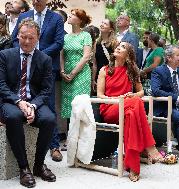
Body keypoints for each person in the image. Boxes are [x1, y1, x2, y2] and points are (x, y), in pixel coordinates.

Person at [97, 42, 173, 182]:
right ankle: (151, 148)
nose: (119, 47)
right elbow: (100, 95)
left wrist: (132, 96)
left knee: (132, 115)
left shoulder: (132, 70)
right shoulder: (104, 70)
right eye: (119, 45)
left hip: (128, 108)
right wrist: (117, 99)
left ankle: (133, 168)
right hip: (110, 108)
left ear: (128, 55)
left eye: (123, 47)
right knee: (136, 103)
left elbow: (141, 92)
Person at [0, 18, 56, 188]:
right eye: (23, 37)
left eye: (31, 38)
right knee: (14, 116)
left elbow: (47, 90)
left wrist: (32, 105)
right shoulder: (4, 55)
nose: (26, 41)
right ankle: (24, 167)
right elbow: (1, 84)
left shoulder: (45, 59)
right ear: (17, 36)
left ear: (38, 38)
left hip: (34, 102)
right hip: (11, 99)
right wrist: (18, 102)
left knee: (49, 119)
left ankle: (38, 165)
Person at [12, 0, 65, 162]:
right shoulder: (24, 16)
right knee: (20, 102)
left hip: (45, 67)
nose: (36, 1)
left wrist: (37, 55)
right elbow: (15, 39)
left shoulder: (55, 18)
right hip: (23, 67)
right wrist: (25, 52)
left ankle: (54, 146)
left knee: (48, 105)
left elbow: (58, 43)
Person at [60, 9, 92, 124]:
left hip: (81, 74)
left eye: (73, 15)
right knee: (69, 106)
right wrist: (62, 71)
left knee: (79, 106)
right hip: (66, 75)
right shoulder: (65, 37)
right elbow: (62, 55)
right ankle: (70, 140)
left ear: (80, 20)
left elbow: (86, 57)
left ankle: (81, 140)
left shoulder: (86, 35)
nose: (69, 16)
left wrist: (73, 73)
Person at [93, 19, 117, 93]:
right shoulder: (96, 43)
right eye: (102, 22)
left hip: (111, 75)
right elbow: (95, 64)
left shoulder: (115, 43)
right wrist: (93, 79)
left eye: (105, 24)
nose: (102, 24)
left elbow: (118, 62)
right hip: (99, 75)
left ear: (110, 29)